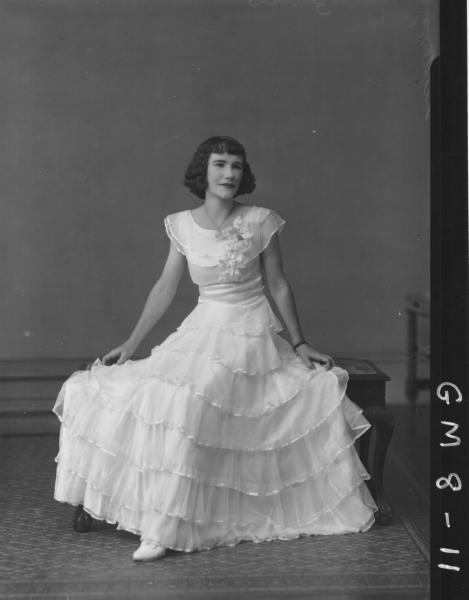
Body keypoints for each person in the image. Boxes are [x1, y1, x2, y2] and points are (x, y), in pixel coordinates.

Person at [53, 136, 377, 562]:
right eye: (220, 165)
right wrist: (130, 345)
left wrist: (298, 343)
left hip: (249, 332)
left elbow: (277, 284)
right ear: (202, 172)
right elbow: (166, 288)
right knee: (145, 393)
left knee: (188, 400)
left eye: (237, 167)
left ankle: (162, 530)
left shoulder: (261, 220)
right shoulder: (179, 224)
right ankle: (157, 517)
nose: (229, 174)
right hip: (200, 329)